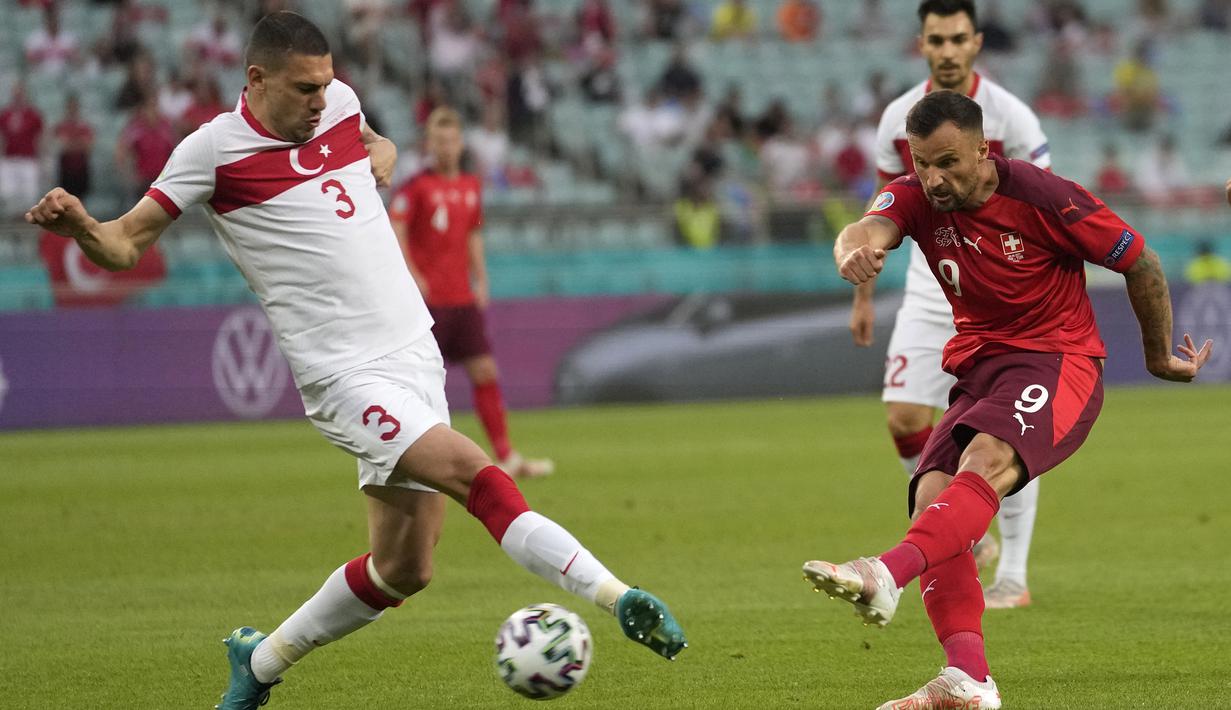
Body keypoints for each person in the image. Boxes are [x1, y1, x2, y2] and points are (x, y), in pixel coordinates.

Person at [25, 13, 687, 710]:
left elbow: (374, 140)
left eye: (327, 83)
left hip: (415, 352)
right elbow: (126, 244)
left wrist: (387, 149)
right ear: (256, 80)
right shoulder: (212, 152)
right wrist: (85, 231)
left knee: (405, 567)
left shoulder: (338, 104)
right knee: (474, 474)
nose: (321, 98)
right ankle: (618, 598)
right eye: (305, 87)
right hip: (346, 375)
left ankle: (261, 661)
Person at [805, 89, 1211, 709]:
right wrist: (853, 253)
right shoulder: (915, 196)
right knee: (931, 496)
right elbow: (866, 226)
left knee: (986, 461)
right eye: (921, 163)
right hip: (982, 368)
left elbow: (1142, 262)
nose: (933, 178)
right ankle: (967, 679)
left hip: (1058, 361)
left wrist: (1157, 356)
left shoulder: (1047, 197)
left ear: (982, 149)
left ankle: (884, 571)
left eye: (948, 162)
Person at [849, 0, 1053, 610]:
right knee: (903, 419)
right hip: (928, 287)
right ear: (922, 44)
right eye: (935, 38)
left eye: (956, 38)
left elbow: (1045, 207)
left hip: (1002, 300)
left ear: (976, 42)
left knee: (1005, 432)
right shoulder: (897, 118)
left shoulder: (1011, 117)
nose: (945, 50)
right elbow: (882, 211)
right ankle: (972, 527)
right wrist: (863, 295)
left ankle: (1012, 577)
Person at [389, 107, 554, 479]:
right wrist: (413, 274)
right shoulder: (415, 188)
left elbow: (473, 234)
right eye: (438, 141)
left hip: (462, 298)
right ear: (428, 144)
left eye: (451, 140)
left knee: (485, 371)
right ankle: (414, 460)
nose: (445, 147)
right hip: (428, 304)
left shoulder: (470, 186)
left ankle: (506, 455)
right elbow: (395, 228)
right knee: (421, 383)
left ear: (461, 143)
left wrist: (481, 276)